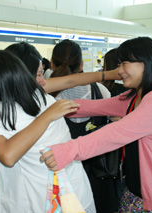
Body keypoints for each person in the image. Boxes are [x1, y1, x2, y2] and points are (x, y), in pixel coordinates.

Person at [0, 41, 120, 212]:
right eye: (38, 74)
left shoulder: (28, 98)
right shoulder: (27, 101)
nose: (43, 81)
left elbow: (69, 81)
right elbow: (8, 155)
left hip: (40, 188)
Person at [40, 37, 152, 212]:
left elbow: (116, 133)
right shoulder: (134, 96)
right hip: (132, 192)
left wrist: (68, 150)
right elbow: (92, 106)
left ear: (145, 62)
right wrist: (50, 108)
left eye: (124, 64)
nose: (119, 71)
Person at [48, 39, 114, 212]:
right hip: (98, 171)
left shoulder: (46, 98)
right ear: (81, 65)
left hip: (60, 174)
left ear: (52, 64)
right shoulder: (101, 91)